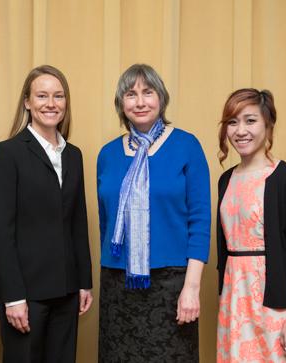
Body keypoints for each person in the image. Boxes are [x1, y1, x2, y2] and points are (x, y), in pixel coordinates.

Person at [97, 64, 211, 362]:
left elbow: (200, 222)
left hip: (172, 285)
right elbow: (105, 224)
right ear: (121, 104)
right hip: (117, 285)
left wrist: (191, 287)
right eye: (131, 94)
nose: (140, 101)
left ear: (161, 98)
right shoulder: (107, 154)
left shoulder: (187, 145)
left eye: (148, 92)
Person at [0, 65, 93, 363]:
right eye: (42, 95)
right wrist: (13, 296)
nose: (51, 103)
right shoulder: (7, 153)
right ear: (27, 102)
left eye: (58, 96)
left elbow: (77, 223)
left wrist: (84, 282)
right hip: (26, 293)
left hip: (67, 289)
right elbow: (0, 231)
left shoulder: (74, 155)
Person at [216, 88, 286, 362]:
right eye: (233, 122)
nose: (240, 130)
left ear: (268, 124)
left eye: (250, 121)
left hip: (278, 303)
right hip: (235, 301)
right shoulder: (226, 180)